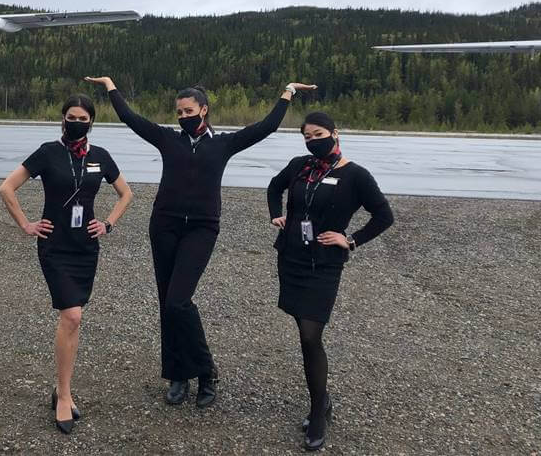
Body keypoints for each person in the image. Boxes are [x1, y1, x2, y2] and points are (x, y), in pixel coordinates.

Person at [85, 75, 316, 408]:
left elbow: (265, 127)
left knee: (179, 301)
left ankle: (206, 370)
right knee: (168, 303)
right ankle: (177, 374)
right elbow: (130, 118)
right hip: (164, 226)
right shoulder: (167, 139)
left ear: (204, 110)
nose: (182, 116)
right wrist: (110, 87)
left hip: (201, 229)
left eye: (188, 110)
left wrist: (288, 93)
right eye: (179, 112)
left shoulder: (222, 144)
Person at [0, 94, 133, 434]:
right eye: (71, 117)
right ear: (62, 119)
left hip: (86, 248)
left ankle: (62, 387)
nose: (76, 123)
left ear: (91, 123)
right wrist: (26, 224)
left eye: (83, 119)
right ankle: (64, 395)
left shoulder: (100, 158)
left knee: (72, 320)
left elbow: (126, 193)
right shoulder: (47, 152)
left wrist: (108, 224)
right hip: (54, 245)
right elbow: (6, 188)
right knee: (72, 315)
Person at [266, 111, 394, 451]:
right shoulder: (299, 166)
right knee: (302, 329)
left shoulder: (355, 176)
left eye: (318, 134)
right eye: (307, 136)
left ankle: (318, 411)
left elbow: (384, 216)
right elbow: (274, 187)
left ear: (335, 134)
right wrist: (276, 214)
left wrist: (350, 240)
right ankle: (322, 401)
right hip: (291, 257)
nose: (312, 140)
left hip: (324, 266)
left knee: (311, 335)